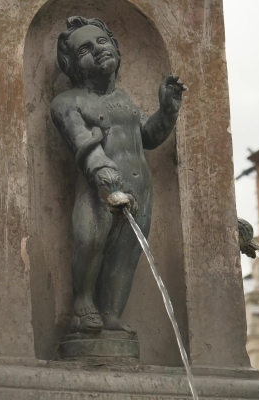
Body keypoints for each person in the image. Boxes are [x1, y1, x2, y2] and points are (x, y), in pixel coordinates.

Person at [50, 17, 187, 334]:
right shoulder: (67, 102)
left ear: (116, 47)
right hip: (97, 189)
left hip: (140, 187)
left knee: (127, 253)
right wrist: (102, 172)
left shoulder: (124, 99)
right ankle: (84, 305)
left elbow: (148, 137)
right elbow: (81, 142)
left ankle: (111, 313)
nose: (97, 50)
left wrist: (167, 110)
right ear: (72, 65)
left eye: (101, 42)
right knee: (90, 241)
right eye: (85, 48)